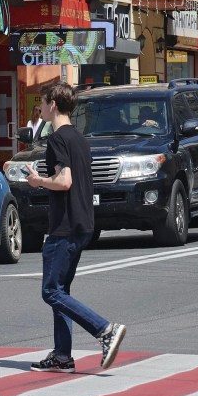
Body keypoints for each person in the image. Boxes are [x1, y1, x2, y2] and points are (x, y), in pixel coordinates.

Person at [24, 81, 126, 372]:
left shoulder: (57, 140)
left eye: (42, 102)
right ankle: (62, 355)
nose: (39, 107)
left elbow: (64, 181)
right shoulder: (80, 139)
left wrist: (38, 181)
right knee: (61, 290)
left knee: (51, 292)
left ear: (53, 105)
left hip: (64, 224)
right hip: (83, 222)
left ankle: (104, 329)